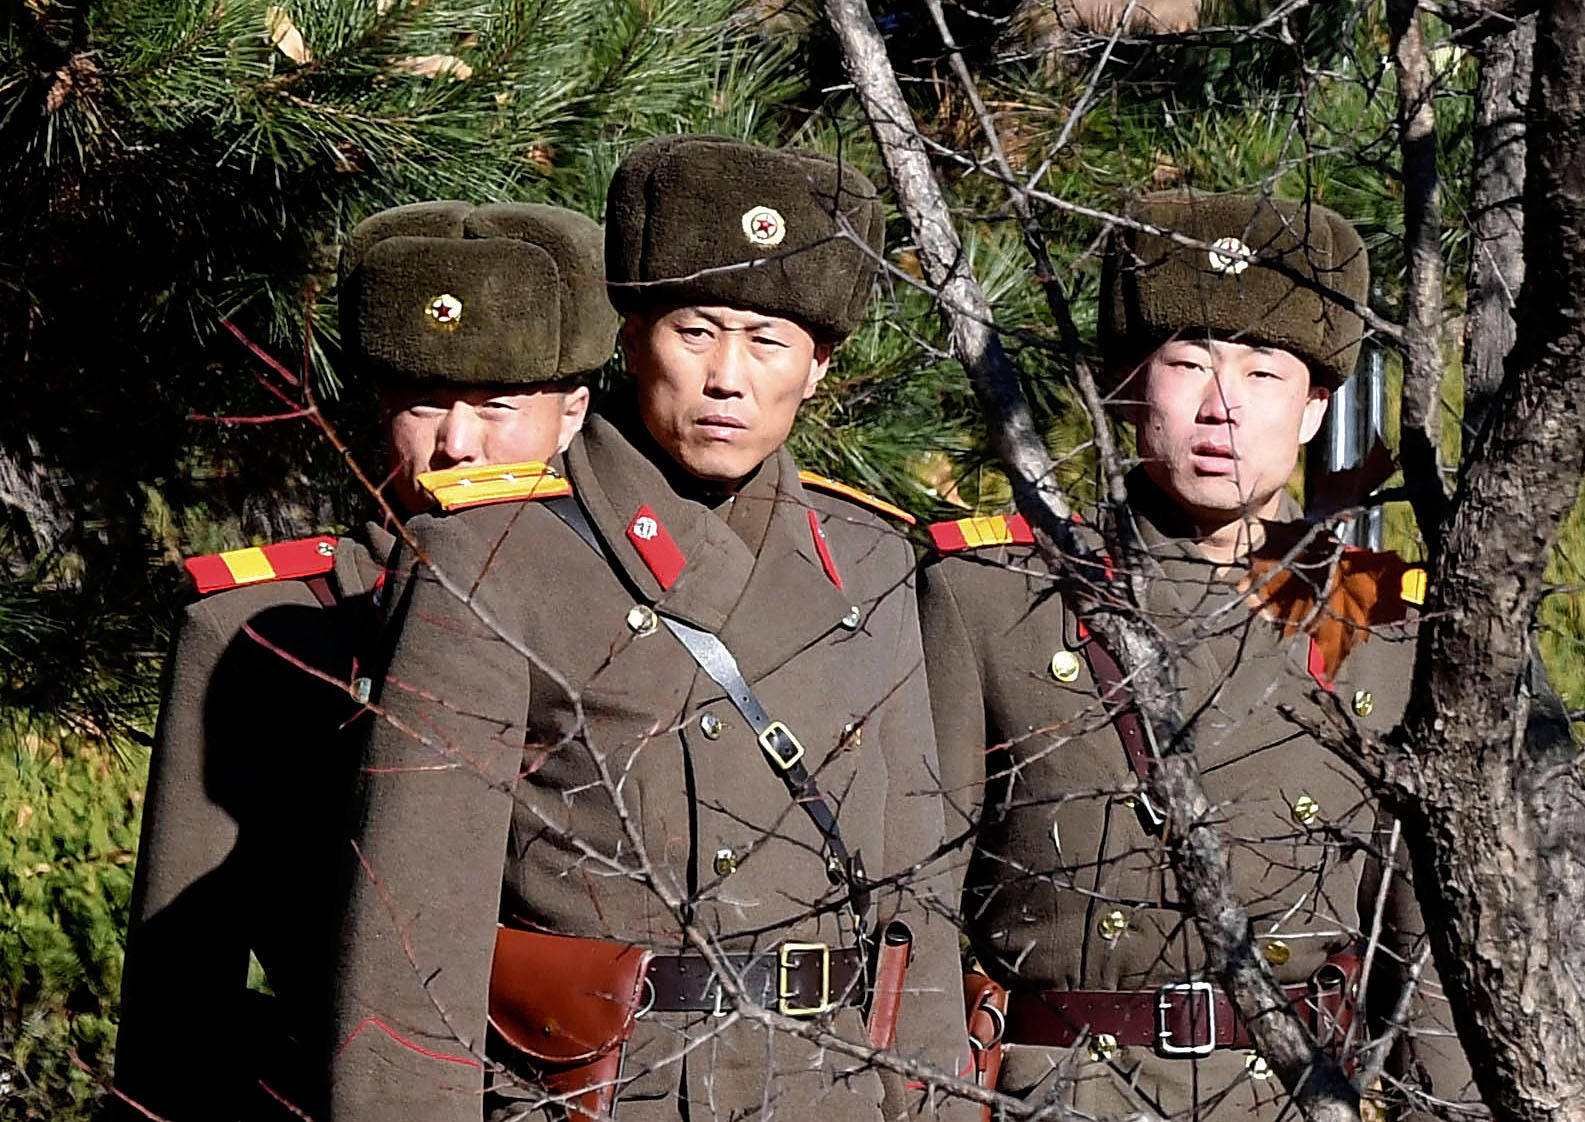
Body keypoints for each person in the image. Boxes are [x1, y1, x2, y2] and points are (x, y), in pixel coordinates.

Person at [328, 135, 972, 1122]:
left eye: (768, 343)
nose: (727, 377)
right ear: (630, 335)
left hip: (825, 1090)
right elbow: (413, 932)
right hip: (603, 1094)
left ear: (818, 365)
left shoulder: (870, 560)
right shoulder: (494, 558)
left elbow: (911, 909)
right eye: (696, 331)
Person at [920, 190, 1480, 1119]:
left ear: (1313, 410)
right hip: (1058, 1092)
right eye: (1186, 365)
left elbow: (1420, 936)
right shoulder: (996, 592)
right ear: (1128, 385)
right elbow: (921, 895)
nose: (1222, 407)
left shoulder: (1379, 618)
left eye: (1264, 374)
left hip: (1294, 1097)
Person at [113, 201, 611, 1122]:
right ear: (376, 406)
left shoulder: (640, 616)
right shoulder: (262, 625)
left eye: (499, 406)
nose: (457, 445)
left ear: (573, 411)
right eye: (424, 401)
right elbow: (183, 985)